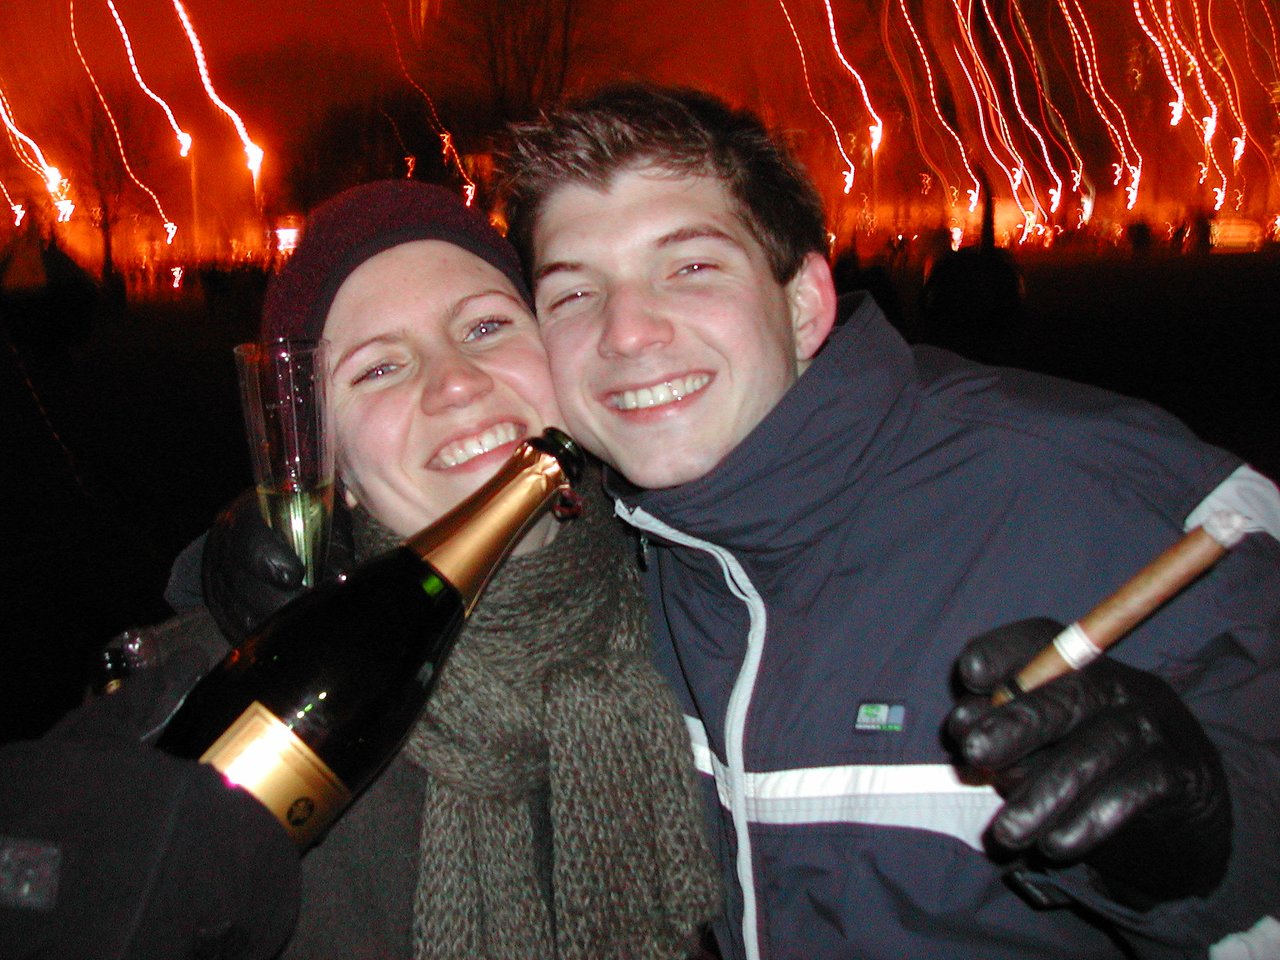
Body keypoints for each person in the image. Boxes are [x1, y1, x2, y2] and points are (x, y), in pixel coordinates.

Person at [493, 84, 1280, 959]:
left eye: (691, 267)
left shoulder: (1093, 486)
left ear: (802, 307)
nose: (627, 332)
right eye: (572, 295)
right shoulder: (612, 562)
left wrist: (1206, 841)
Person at [19, 179, 720, 960]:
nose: (455, 382)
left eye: (487, 325)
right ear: (334, 462)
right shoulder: (228, 695)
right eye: (379, 369)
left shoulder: (706, 623)